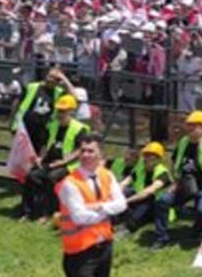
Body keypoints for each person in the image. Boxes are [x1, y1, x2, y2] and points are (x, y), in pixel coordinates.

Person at [152, 110, 202, 248]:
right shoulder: (183, 142)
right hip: (184, 185)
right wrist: (175, 182)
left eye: (195, 125)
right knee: (162, 201)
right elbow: (174, 161)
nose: (191, 128)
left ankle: (197, 232)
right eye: (189, 125)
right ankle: (161, 237)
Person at [55, 134, 126, 277]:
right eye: (82, 150)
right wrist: (108, 208)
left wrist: (100, 207)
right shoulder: (70, 183)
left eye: (90, 151)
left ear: (101, 154)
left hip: (104, 245)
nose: (85, 155)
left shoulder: (107, 175)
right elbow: (80, 217)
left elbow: (122, 204)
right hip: (80, 250)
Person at [23, 94, 90, 222]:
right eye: (59, 110)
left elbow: (79, 151)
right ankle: (29, 211)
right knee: (31, 176)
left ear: (72, 111)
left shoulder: (80, 129)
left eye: (63, 111)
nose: (60, 113)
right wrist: (40, 158)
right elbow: (45, 144)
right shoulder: (53, 125)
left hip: (69, 165)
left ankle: (47, 213)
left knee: (51, 178)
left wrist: (62, 162)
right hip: (50, 162)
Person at [13, 68, 74, 156]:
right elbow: (17, 104)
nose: (51, 80)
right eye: (50, 76)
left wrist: (64, 78)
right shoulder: (32, 87)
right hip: (25, 127)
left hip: (43, 131)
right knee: (20, 157)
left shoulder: (59, 92)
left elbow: (74, 96)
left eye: (56, 79)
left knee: (36, 158)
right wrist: (13, 123)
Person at [116, 141, 171, 235]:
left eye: (150, 155)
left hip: (155, 203)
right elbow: (128, 180)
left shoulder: (163, 173)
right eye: (145, 154)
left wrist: (126, 201)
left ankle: (128, 227)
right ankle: (118, 217)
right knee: (125, 191)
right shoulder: (141, 166)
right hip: (139, 197)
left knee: (141, 210)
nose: (146, 158)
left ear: (158, 159)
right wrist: (117, 192)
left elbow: (147, 192)